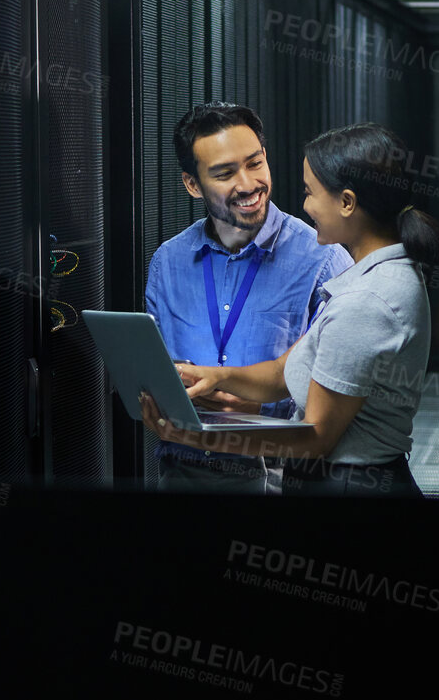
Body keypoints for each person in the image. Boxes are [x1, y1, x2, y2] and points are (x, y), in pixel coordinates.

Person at [140, 122, 439, 498]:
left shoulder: (366, 302)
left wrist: (197, 435)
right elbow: (282, 372)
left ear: (347, 203)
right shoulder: (369, 281)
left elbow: (315, 438)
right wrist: (215, 377)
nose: (304, 206)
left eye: (310, 193)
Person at [144, 103, 353, 493]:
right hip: (181, 470)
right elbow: (155, 368)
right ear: (192, 185)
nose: (247, 184)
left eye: (255, 163)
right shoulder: (168, 262)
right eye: (224, 173)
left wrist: (260, 408)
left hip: (275, 474)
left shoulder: (323, 260)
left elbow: (340, 396)